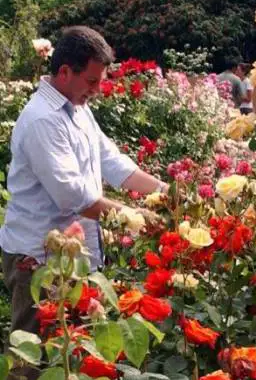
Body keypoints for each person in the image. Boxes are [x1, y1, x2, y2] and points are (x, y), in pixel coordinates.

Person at [0, 25, 167, 341]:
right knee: (32, 357)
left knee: (70, 352)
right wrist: (136, 219)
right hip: (40, 261)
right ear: (65, 71)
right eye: (91, 81)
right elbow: (72, 196)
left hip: (70, 258)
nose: (96, 90)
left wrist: (165, 192)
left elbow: (112, 161)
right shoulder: (42, 119)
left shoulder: (77, 109)